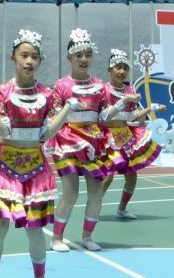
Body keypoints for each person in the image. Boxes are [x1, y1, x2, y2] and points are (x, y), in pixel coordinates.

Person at [0, 29, 72, 278]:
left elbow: (47, 133)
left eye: (34, 56)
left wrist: (68, 108)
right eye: (24, 55)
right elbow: (3, 131)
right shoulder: (1, 93)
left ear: (40, 61)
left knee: (35, 229)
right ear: (13, 58)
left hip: (36, 167)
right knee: (0, 226)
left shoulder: (47, 95)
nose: (29, 61)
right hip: (4, 167)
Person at [48, 28, 132, 253]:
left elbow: (104, 116)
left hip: (94, 144)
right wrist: (68, 109)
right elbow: (54, 118)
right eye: (79, 55)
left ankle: (87, 236)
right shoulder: (61, 86)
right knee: (71, 193)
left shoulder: (99, 86)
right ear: (69, 58)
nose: (84, 59)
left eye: (87, 54)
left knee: (96, 192)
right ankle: (57, 237)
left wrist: (121, 104)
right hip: (68, 143)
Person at [106, 47, 162, 221]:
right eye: (118, 67)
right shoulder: (103, 91)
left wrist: (150, 108)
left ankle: (122, 208)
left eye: (125, 68)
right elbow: (103, 116)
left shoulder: (130, 91)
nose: (122, 71)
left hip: (126, 138)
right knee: (106, 177)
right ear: (109, 69)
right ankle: (93, 207)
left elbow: (133, 116)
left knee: (131, 176)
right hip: (108, 139)